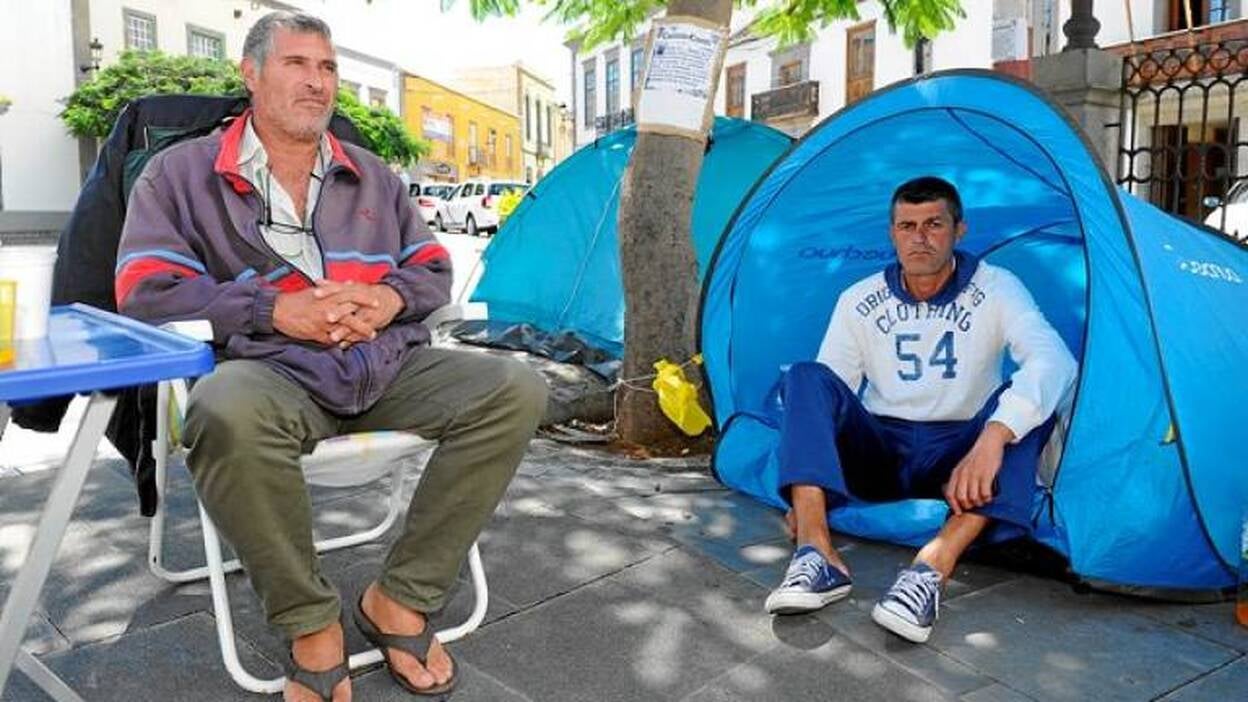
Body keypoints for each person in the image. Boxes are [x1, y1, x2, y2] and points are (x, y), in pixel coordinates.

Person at [116, 12, 546, 701]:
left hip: (383, 365)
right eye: (296, 64)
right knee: (222, 410)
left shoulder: (372, 175)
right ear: (250, 74)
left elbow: (432, 268)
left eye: (328, 68)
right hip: (270, 373)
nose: (317, 83)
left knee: (513, 387)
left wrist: (386, 300)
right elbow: (145, 291)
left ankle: (400, 599)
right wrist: (272, 310)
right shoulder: (178, 175)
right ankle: (311, 622)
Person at [763, 176, 1076, 644]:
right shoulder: (858, 299)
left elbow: (1054, 359)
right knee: (805, 377)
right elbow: (829, 396)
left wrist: (992, 439)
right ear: (892, 234)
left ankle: (931, 568)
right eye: (907, 226)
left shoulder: (997, 287)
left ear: (959, 230)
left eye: (933, 224)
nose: (920, 238)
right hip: (881, 450)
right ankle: (816, 552)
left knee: (1026, 407)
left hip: (959, 457)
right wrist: (812, 489)